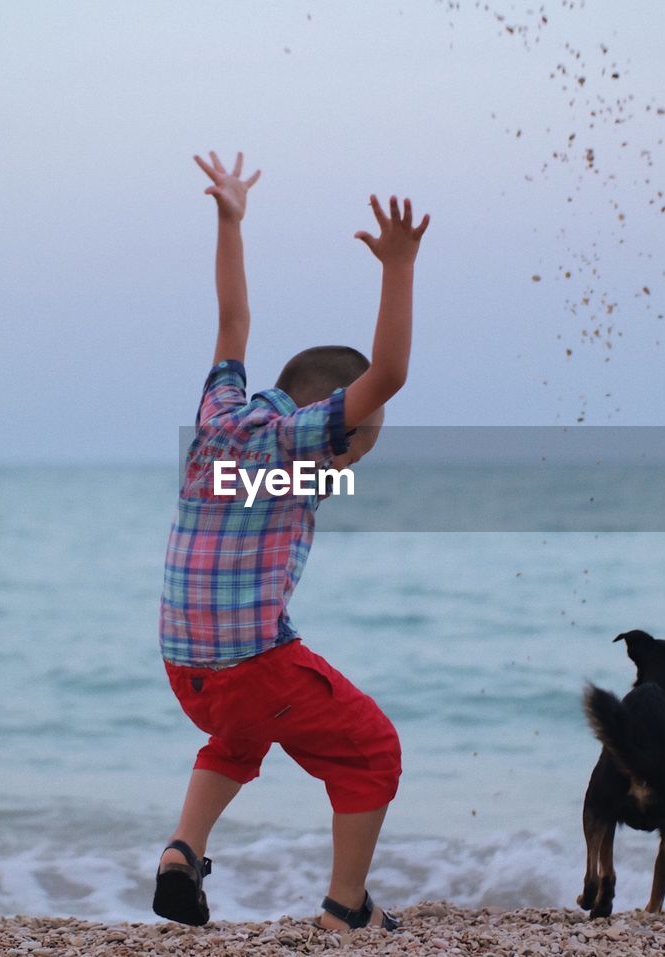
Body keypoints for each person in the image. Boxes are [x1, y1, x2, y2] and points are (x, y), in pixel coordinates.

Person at [153, 150, 429, 931]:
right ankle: (346, 909)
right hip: (249, 664)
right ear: (335, 420)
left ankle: (182, 850)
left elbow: (233, 320)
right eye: (358, 444)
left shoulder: (221, 409)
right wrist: (399, 266)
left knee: (241, 739)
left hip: (185, 665)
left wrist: (230, 218)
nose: (351, 460)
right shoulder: (295, 439)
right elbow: (393, 373)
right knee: (373, 747)